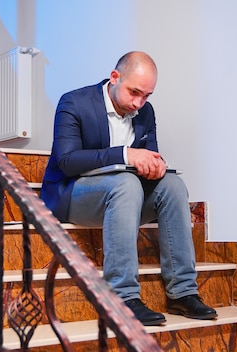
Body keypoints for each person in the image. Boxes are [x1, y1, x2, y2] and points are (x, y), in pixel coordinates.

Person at [41, 51, 217, 326]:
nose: (139, 103)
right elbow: (66, 161)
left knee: (173, 186)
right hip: (73, 194)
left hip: (125, 197)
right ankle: (121, 296)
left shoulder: (144, 112)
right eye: (134, 92)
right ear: (114, 77)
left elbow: (149, 156)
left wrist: (155, 166)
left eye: (146, 96)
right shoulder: (74, 102)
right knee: (125, 184)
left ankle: (182, 292)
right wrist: (124, 154)